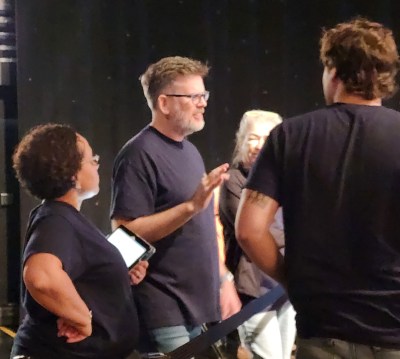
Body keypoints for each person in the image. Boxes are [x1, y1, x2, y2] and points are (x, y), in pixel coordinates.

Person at [235, 17, 400, 359]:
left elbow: (249, 231)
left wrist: (293, 282)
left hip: (323, 331)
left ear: (333, 71)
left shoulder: (290, 136)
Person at [110, 56, 241, 353]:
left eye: (203, 95)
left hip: (197, 308)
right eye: (194, 96)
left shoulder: (190, 152)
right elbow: (124, 232)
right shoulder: (138, 154)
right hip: (163, 308)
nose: (203, 103)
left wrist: (224, 279)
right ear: (165, 103)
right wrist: (191, 206)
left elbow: (205, 228)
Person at [10, 123, 147, 359]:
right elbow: (40, 276)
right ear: (73, 174)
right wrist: (82, 318)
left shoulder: (58, 216)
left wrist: (114, 279)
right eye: (92, 159)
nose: (97, 164)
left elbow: (73, 279)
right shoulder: (56, 219)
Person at [219, 110, 296, 359]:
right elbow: (255, 231)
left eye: (266, 138)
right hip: (254, 290)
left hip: (284, 286)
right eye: (252, 137)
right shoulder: (233, 181)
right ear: (241, 141)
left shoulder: (285, 180)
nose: (257, 145)